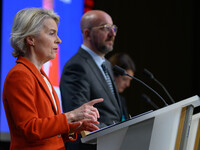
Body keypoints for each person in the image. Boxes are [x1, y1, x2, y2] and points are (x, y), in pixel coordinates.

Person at [2, 8, 103, 150]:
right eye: (51, 33)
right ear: (30, 39)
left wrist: (75, 126)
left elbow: (48, 130)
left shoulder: (41, 75)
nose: (59, 40)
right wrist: (72, 115)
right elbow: (30, 129)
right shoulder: (19, 75)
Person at [60, 10, 123, 150]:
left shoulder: (106, 64)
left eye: (113, 28)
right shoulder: (76, 66)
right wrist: (119, 132)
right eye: (105, 28)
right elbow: (79, 118)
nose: (112, 33)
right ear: (87, 33)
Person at [109, 52, 136, 121]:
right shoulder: (103, 99)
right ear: (112, 74)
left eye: (130, 80)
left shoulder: (121, 100)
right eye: (124, 79)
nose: (128, 84)